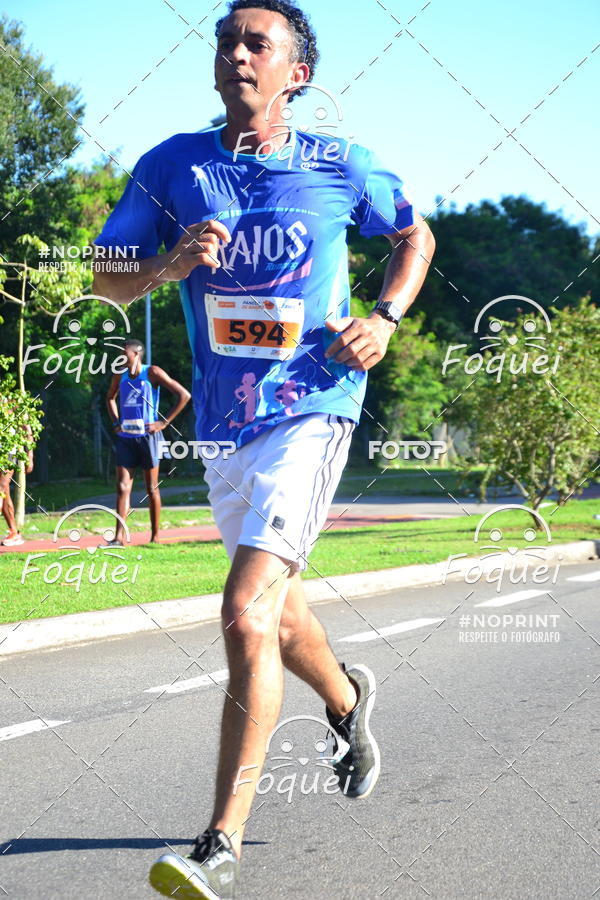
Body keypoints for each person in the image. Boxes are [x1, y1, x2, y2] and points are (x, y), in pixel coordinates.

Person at [93, 0, 435, 895]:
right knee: (279, 617)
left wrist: (386, 318)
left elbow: (413, 233)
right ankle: (349, 701)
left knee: (245, 607)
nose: (237, 54)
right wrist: (167, 266)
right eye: (226, 42)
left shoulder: (339, 165)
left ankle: (220, 844)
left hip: (312, 405)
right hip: (221, 423)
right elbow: (103, 278)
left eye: (258, 43)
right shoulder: (172, 167)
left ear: (297, 74)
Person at [105, 338, 190, 545]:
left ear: (136, 354)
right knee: (123, 486)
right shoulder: (120, 375)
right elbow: (109, 398)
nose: (121, 358)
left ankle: (155, 537)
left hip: (149, 437)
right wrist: (116, 423)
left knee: (151, 488)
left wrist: (163, 422)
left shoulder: (152, 372)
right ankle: (118, 537)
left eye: (124, 354)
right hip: (126, 438)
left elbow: (184, 395)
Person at [0, 445, 33, 548]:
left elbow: (27, 430)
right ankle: (14, 532)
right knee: (5, 492)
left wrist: (30, 456)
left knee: (1, 487)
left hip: (8, 453)